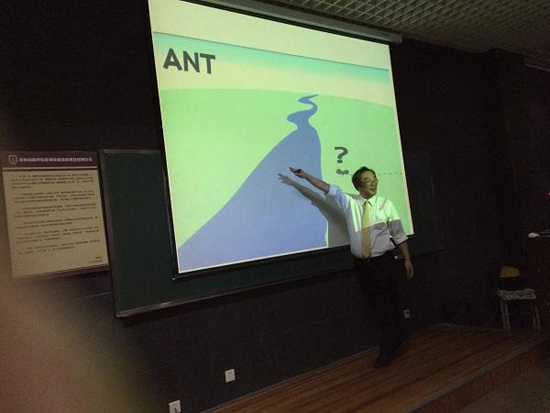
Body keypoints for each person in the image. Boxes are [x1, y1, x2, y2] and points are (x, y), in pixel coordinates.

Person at [289, 166, 414, 368]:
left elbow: (399, 234)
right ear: (358, 185)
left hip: (384, 263)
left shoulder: (386, 204)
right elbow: (326, 188)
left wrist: (407, 259)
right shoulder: (350, 202)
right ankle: (397, 337)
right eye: (368, 180)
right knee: (375, 305)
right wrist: (304, 177)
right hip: (362, 266)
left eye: (375, 178)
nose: (373, 182)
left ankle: (387, 349)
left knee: (386, 306)